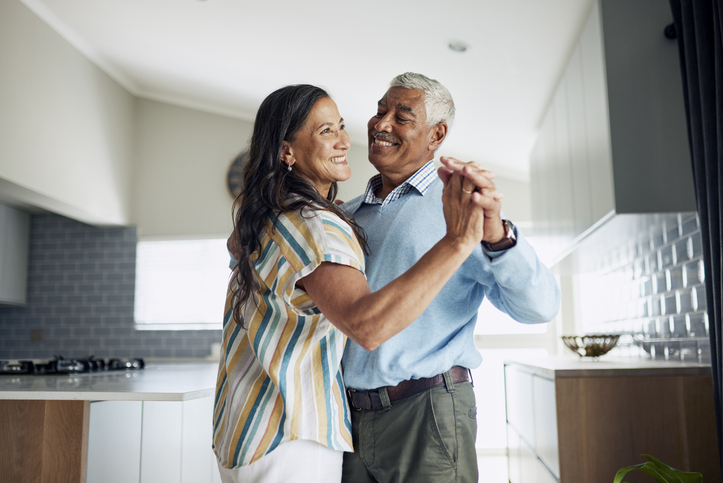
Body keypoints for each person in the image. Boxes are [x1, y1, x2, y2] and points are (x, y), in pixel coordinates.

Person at [212, 84, 495, 483]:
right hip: (290, 433)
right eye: (325, 131)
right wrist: (457, 241)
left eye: (341, 126)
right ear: (287, 151)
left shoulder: (271, 217)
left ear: (438, 135)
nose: (345, 139)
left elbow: (236, 249)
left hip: (249, 428)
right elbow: (368, 326)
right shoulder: (315, 224)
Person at [340, 72, 562, 483]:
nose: (381, 123)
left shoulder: (459, 209)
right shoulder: (346, 214)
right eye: (379, 110)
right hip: (347, 419)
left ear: (436, 134)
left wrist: (497, 235)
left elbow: (541, 308)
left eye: (401, 116)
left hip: (426, 411)